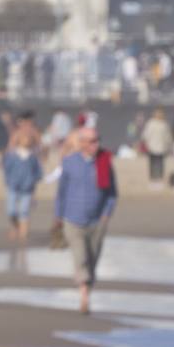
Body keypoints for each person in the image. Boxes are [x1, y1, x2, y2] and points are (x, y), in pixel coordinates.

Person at [53, 126, 118, 315]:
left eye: (97, 140)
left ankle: (87, 289)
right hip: (72, 219)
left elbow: (112, 193)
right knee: (80, 258)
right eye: (90, 141)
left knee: (92, 260)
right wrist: (58, 216)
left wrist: (107, 213)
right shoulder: (69, 162)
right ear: (81, 143)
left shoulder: (104, 161)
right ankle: (84, 296)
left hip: (97, 220)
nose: (95, 145)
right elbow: (61, 192)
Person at [3, 124, 42, 242]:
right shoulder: (12, 155)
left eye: (29, 139)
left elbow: (38, 173)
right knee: (11, 210)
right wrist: (8, 181)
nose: (26, 140)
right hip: (13, 186)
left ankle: (23, 235)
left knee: (24, 211)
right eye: (24, 138)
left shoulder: (33, 157)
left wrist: (34, 187)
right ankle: (15, 226)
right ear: (19, 140)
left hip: (27, 188)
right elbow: (6, 169)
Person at [141, 107, 172, 190]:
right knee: (159, 164)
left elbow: (145, 135)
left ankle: (154, 181)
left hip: (153, 147)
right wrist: (169, 145)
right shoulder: (163, 124)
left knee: (153, 164)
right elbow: (168, 137)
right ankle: (158, 181)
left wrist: (145, 142)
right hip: (160, 147)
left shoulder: (151, 123)